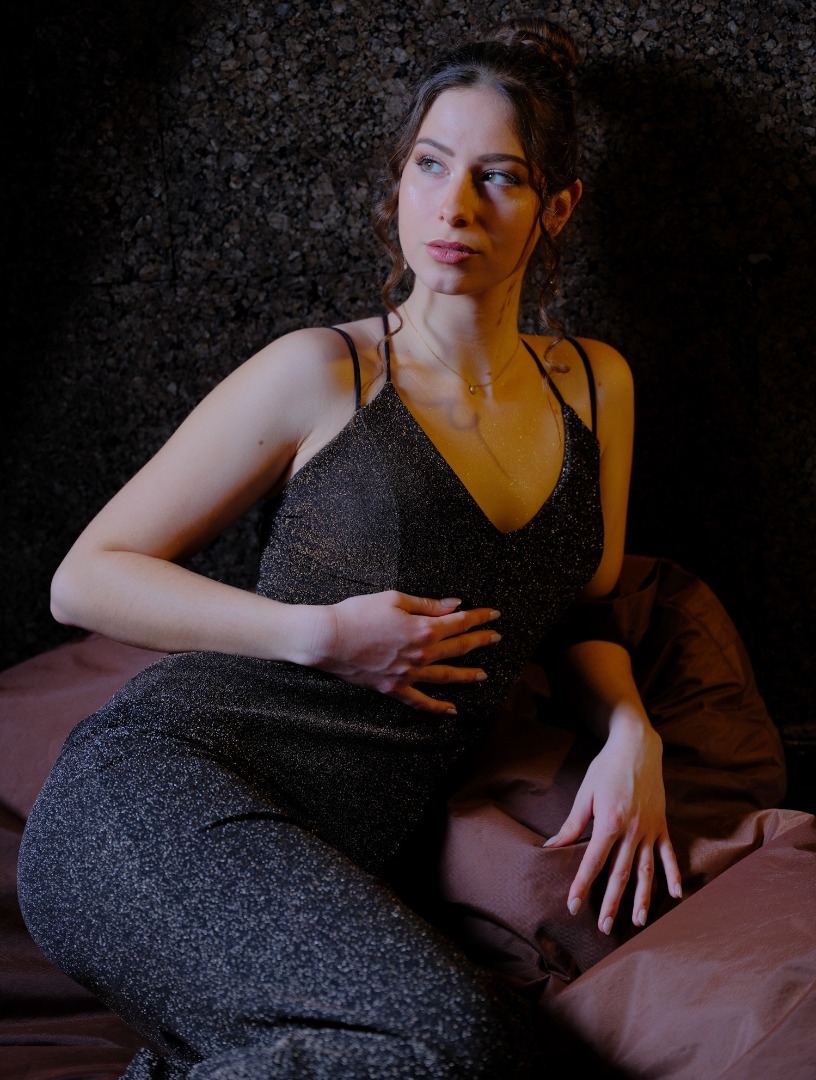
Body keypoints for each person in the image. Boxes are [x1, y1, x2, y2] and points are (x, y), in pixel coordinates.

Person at [18, 18, 681, 1080]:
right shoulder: (325, 372)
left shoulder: (598, 384)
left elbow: (583, 601)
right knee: (451, 1042)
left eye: (500, 177)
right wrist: (318, 636)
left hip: (320, 853)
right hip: (157, 793)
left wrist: (629, 730)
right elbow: (84, 578)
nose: (455, 207)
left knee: (479, 1052)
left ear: (557, 208)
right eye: (431, 165)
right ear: (400, 179)